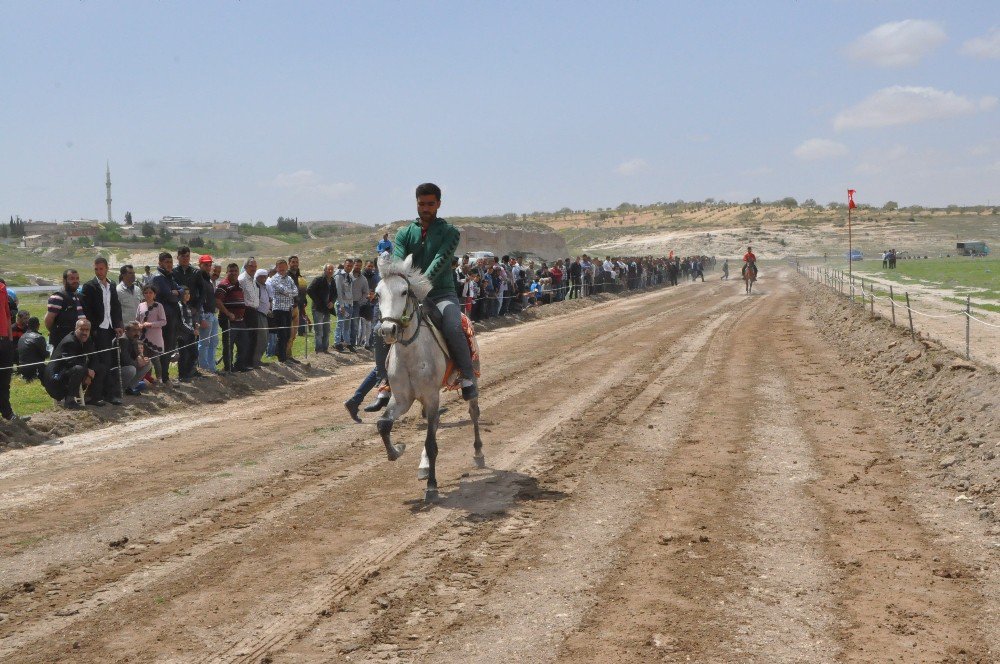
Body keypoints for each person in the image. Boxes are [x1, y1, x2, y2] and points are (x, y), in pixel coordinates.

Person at [393, 182, 477, 400]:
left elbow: (440, 261)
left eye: (430, 204)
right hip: (411, 296)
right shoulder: (404, 233)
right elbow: (398, 260)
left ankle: (467, 376)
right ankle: (383, 381)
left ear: (439, 204)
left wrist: (417, 286)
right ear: (416, 204)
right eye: (421, 204)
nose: (425, 208)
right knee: (384, 327)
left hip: (441, 295)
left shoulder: (450, 233)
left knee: (453, 325)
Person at [45, 319, 118, 408]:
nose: (84, 332)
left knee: (102, 367)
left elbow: (94, 357)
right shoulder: (69, 341)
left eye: (87, 330)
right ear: (76, 329)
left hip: (73, 369)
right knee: (78, 369)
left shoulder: (87, 339)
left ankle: (95, 397)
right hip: (57, 375)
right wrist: (87, 371)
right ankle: (69, 400)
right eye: (82, 329)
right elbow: (70, 361)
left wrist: (90, 373)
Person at [80, 256, 124, 403]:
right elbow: (87, 309)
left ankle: (109, 394)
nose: (99, 272)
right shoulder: (89, 286)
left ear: (107, 268)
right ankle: (97, 395)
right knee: (100, 362)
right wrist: (93, 329)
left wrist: (118, 324)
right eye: (96, 269)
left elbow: (115, 306)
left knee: (110, 361)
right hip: (98, 329)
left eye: (101, 269)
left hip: (110, 327)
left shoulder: (111, 285)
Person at [150, 252, 181, 385]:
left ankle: (165, 376)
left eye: (170, 262)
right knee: (163, 348)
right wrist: (175, 293)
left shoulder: (169, 277)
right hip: (163, 319)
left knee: (170, 347)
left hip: (172, 318)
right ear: (160, 263)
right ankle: (163, 377)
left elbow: (180, 292)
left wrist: (177, 293)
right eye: (166, 262)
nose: (169, 265)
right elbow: (169, 296)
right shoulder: (158, 278)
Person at [1, 278, 28, 421]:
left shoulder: (2, 288)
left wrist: (10, 339)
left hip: (5, 341)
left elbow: (6, 315)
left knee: (5, 380)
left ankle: (8, 413)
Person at [216, 263, 248, 372]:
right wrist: (228, 313)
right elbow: (218, 301)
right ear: (227, 272)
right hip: (228, 320)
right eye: (231, 271)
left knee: (243, 343)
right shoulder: (223, 285)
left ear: (238, 272)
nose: (233, 273)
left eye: (235, 271)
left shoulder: (239, 285)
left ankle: (240, 365)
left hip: (240, 320)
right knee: (228, 345)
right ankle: (228, 367)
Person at [267, 259, 299, 364]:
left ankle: (283, 354)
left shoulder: (289, 278)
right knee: (282, 334)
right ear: (277, 268)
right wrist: (289, 292)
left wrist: (288, 292)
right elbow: (284, 291)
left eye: (284, 268)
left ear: (286, 268)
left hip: (288, 309)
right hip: (278, 309)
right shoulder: (274, 279)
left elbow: (296, 291)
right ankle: (282, 358)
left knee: (287, 334)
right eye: (280, 268)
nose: (282, 270)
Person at [45, 269, 86, 348]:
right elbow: (48, 320)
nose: (75, 281)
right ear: (64, 281)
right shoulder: (58, 297)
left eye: (77, 278)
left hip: (78, 340)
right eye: (72, 279)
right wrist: (56, 333)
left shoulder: (79, 296)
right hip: (63, 342)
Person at [137, 284, 167, 384]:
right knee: (144, 359)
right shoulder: (140, 305)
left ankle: (159, 380)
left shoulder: (159, 306)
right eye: (146, 293)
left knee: (155, 359)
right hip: (143, 337)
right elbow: (137, 320)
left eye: (150, 293)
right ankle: (146, 379)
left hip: (155, 337)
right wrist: (139, 325)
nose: (148, 295)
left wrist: (150, 324)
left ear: (154, 294)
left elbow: (163, 322)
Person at [196, 255, 219, 374]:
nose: (208, 267)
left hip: (212, 314)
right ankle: (204, 368)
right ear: (200, 265)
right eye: (206, 265)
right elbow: (198, 300)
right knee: (204, 343)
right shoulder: (198, 279)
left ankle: (212, 367)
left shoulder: (208, 280)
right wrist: (202, 317)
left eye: (210, 265)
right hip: (205, 315)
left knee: (214, 342)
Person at [308, 263, 337, 353]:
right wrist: (318, 301)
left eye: (332, 270)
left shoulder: (332, 280)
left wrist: (332, 302)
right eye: (328, 269)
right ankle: (319, 349)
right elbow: (309, 290)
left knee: (327, 329)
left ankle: (325, 348)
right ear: (324, 270)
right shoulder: (318, 279)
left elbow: (335, 293)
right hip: (318, 309)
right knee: (319, 330)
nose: (330, 271)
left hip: (327, 309)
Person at [238, 258, 261, 368]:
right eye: (251, 266)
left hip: (254, 310)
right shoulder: (242, 279)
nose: (254, 268)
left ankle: (250, 362)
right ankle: (244, 363)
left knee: (253, 337)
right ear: (246, 267)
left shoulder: (253, 279)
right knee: (246, 338)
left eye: (255, 266)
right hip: (246, 311)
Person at [176, 289, 199, 382]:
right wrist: (192, 330)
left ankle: (187, 373)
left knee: (194, 354)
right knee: (183, 355)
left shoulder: (188, 306)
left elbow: (191, 319)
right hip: (182, 335)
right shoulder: (180, 306)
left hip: (190, 334)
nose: (187, 295)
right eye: (185, 294)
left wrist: (196, 324)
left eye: (188, 293)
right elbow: (181, 322)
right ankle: (182, 375)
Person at [17, 317, 48, 383]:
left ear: (28, 325)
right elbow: (45, 354)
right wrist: (50, 351)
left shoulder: (22, 336)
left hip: (22, 368)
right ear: (38, 325)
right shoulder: (39, 337)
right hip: (35, 369)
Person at [333, 259, 354, 352]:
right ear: (344, 265)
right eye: (347, 265)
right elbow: (339, 292)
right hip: (342, 304)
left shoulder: (349, 276)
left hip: (349, 304)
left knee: (347, 325)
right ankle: (337, 343)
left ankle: (347, 342)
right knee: (340, 324)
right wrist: (341, 305)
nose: (349, 267)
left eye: (350, 266)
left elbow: (350, 290)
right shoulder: (339, 276)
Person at [254, 268, 273, 366]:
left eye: (265, 277)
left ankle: (258, 359)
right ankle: (255, 360)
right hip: (258, 314)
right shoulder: (256, 287)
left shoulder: (265, 287)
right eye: (261, 277)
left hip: (264, 314)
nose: (263, 278)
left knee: (265, 339)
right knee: (261, 339)